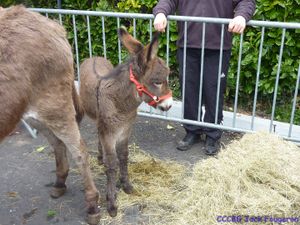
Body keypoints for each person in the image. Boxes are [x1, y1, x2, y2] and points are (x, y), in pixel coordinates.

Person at [153, 0, 256, 155]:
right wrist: (160, 12)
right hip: (188, 44)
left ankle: (212, 134)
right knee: (189, 90)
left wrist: (241, 16)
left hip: (218, 46)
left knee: (213, 91)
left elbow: (246, 1)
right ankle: (191, 130)